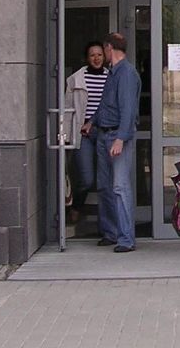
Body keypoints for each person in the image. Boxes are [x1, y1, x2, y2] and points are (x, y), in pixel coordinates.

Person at [90, 32, 141, 253]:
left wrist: (120, 138)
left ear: (109, 48)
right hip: (104, 134)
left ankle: (126, 239)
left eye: (104, 50)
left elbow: (128, 110)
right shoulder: (113, 73)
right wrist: (92, 122)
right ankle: (111, 232)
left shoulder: (126, 73)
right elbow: (106, 105)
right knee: (105, 186)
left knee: (120, 186)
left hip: (116, 136)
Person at [65, 42, 108, 226]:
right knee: (86, 178)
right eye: (92, 55)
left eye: (99, 54)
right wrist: (66, 135)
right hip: (83, 133)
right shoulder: (76, 80)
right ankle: (76, 206)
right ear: (87, 58)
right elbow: (67, 109)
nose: (96, 58)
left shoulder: (111, 77)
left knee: (106, 179)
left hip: (104, 131)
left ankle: (106, 222)